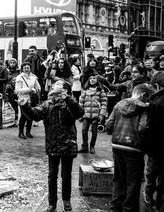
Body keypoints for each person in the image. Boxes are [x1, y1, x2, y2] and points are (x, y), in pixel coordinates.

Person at [19, 80, 84, 212]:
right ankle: (52, 203)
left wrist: (68, 99)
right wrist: (25, 106)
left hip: (67, 145)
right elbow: (35, 115)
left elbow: (80, 113)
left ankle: (66, 200)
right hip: (53, 145)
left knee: (66, 175)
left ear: (65, 90)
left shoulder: (69, 103)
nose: (55, 87)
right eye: (54, 86)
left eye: (58, 85)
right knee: (52, 176)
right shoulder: (47, 104)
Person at [105, 84, 154, 212]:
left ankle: (115, 207)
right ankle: (129, 209)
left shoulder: (119, 104)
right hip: (134, 149)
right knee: (133, 182)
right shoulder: (145, 109)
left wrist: (116, 133)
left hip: (117, 146)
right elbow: (143, 128)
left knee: (118, 178)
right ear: (144, 95)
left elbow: (108, 124)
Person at [141, 71, 164, 212]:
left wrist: (148, 150)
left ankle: (150, 200)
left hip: (159, 152)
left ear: (156, 85)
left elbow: (150, 131)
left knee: (153, 177)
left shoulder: (156, 103)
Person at [78, 76, 108, 154]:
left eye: (94, 78)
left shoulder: (100, 91)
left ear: (97, 80)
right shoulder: (84, 90)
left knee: (94, 132)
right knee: (84, 130)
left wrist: (102, 114)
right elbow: (81, 103)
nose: (92, 80)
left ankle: (92, 146)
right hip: (86, 114)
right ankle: (84, 146)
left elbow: (104, 103)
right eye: (90, 78)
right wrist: (80, 114)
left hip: (96, 115)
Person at [15, 62, 41, 139]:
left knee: (31, 116)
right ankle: (21, 133)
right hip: (23, 100)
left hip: (32, 99)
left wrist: (35, 91)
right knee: (23, 116)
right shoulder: (19, 77)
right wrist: (28, 89)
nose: (26, 69)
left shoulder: (33, 77)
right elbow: (17, 90)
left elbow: (38, 88)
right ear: (22, 69)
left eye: (28, 68)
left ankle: (28, 132)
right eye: (25, 68)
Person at [5, 58, 20, 125]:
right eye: (11, 62)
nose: (12, 64)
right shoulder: (6, 71)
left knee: (15, 106)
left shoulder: (18, 71)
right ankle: (10, 120)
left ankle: (16, 119)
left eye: (14, 62)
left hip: (16, 90)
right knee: (9, 106)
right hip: (8, 91)